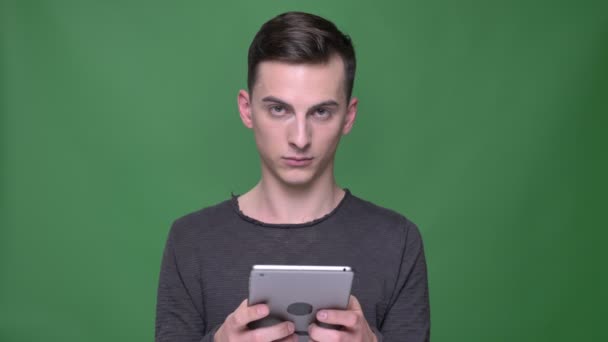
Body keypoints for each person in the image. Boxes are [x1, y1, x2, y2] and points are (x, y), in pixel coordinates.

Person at [155, 11, 430, 342]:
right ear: (246, 109)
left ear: (348, 116)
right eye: (279, 109)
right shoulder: (190, 241)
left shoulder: (398, 241)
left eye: (321, 112)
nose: (300, 138)